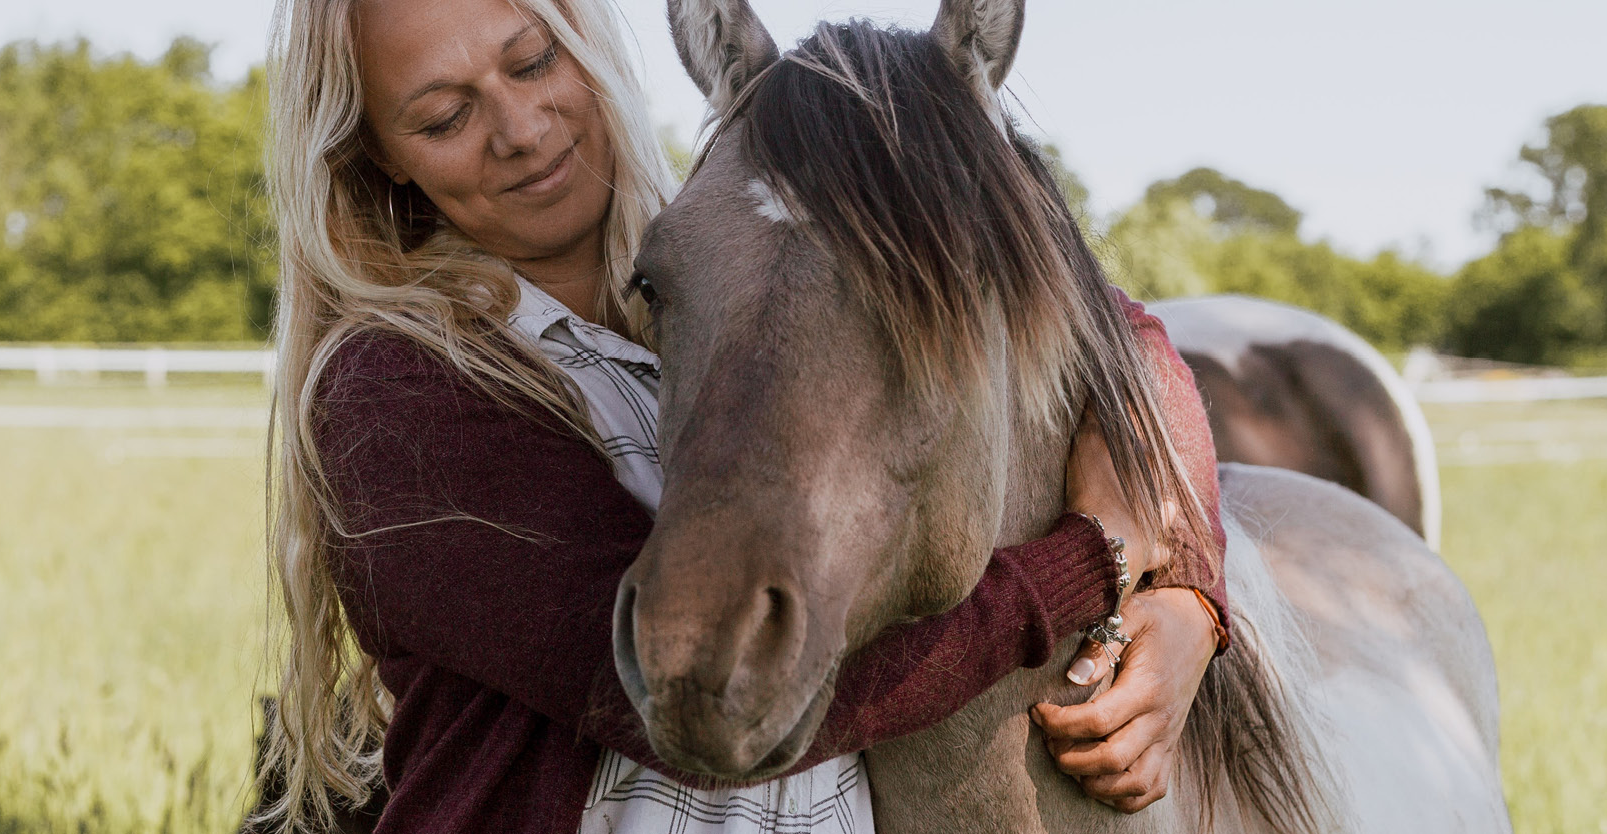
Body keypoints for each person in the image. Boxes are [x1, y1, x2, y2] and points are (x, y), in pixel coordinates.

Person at [253, 0, 1232, 831]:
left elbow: (1123, 336)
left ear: (582, 41)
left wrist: (1187, 591)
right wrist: (1092, 556)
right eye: (442, 116)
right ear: (375, 159)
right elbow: (705, 708)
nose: (518, 129)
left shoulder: (716, 277)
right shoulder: (395, 396)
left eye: (530, 60)